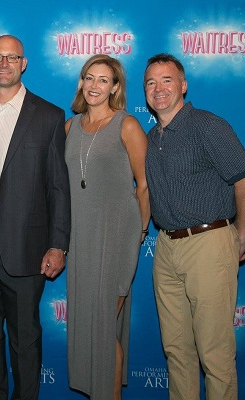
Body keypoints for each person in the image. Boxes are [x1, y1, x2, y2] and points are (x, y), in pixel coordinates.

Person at [0, 34, 71, 399]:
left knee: (25, 340)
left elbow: (58, 188)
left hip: (27, 245)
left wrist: (58, 245)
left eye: (12, 57)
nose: (4, 63)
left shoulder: (50, 115)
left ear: (24, 64)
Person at [143, 53, 245, 400]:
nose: (158, 88)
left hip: (209, 242)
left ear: (183, 85)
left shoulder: (208, 125)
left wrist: (237, 237)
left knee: (215, 353)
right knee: (177, 350)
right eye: (151, 82)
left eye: (166, 80)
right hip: (166, 246)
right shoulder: (151, 137)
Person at [64, 54, 150, 399]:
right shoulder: (69, 127)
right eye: (89, 77)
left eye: (103, 80)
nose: (95, 86)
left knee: (104, 328)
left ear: (115, 87)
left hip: (117, 238)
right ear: (81, 83)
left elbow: (144, 185)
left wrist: (139, 233)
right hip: (80, 238)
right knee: (91, 328)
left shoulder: (127, 125)